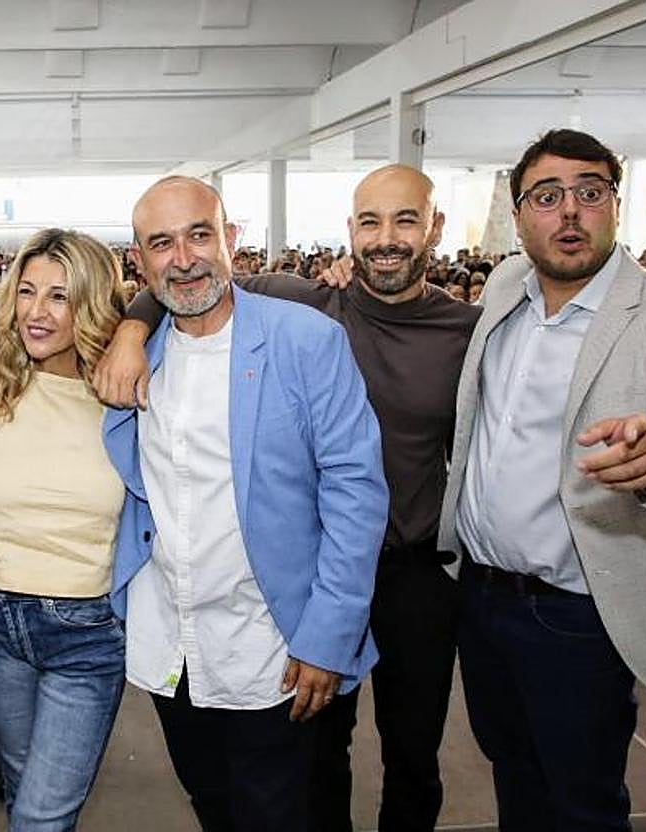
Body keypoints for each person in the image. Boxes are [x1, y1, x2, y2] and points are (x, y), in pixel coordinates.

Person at [97, 165, 481, 832]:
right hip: (173, 647)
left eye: (199, 235)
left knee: (287, 805)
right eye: (161, 244)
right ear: (139, 260)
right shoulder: (135, 354)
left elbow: (356, 491)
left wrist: (328, 639)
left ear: (230, 238)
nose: (183, 259)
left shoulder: (305, 337)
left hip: (274, 645)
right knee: (213, 802)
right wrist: (131, 330)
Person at [441, 129, 646, 831]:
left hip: (575, 614)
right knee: (514, 774)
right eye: (547, 197)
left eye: (589, 192)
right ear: (520, 218)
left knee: (582, 801)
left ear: (614, 204)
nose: (569, 212)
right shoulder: (506, 292)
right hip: (483, 599)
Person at [0, 228, 127, 831]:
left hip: (87, 632)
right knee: (24, 793)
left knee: (41, 816)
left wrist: (138, 328)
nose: (37, 311)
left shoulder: (124, 392)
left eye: (61, 297)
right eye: (28, 291)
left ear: (91, 304)